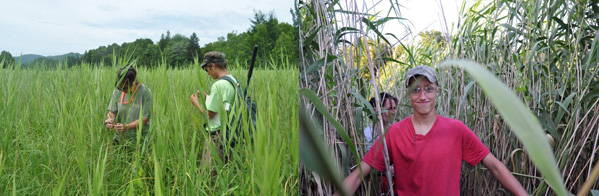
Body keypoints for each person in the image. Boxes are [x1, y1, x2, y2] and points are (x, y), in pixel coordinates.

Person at [334, 65, 528, 195]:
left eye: (428, 88)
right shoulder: (394, 133)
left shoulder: (456, 130)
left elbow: (495, 166)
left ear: (437, 92)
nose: (422, 95)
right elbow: (359, 174)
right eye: (416, 90)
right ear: (409, 95)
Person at [190, 51, 238, 166]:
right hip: (230, 132)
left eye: (207, 69)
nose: (207, 74)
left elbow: (209, 115)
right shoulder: (232, 80)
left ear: (213, 66)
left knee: (210, 172)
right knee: (227, 169)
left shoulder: (218, 85)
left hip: (217, 135)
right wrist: (207, 97)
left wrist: (195, 102)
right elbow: (224, 105)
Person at [104, 65, 153, 145]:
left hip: (140, 140)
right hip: (120, 138)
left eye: (126, 87)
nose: (123, 90)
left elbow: (145, 118)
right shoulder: (117, 91)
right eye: (121, 87)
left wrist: (126, 127)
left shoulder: (145, 92)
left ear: (134, 81)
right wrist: (110, 120)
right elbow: (112, 111)